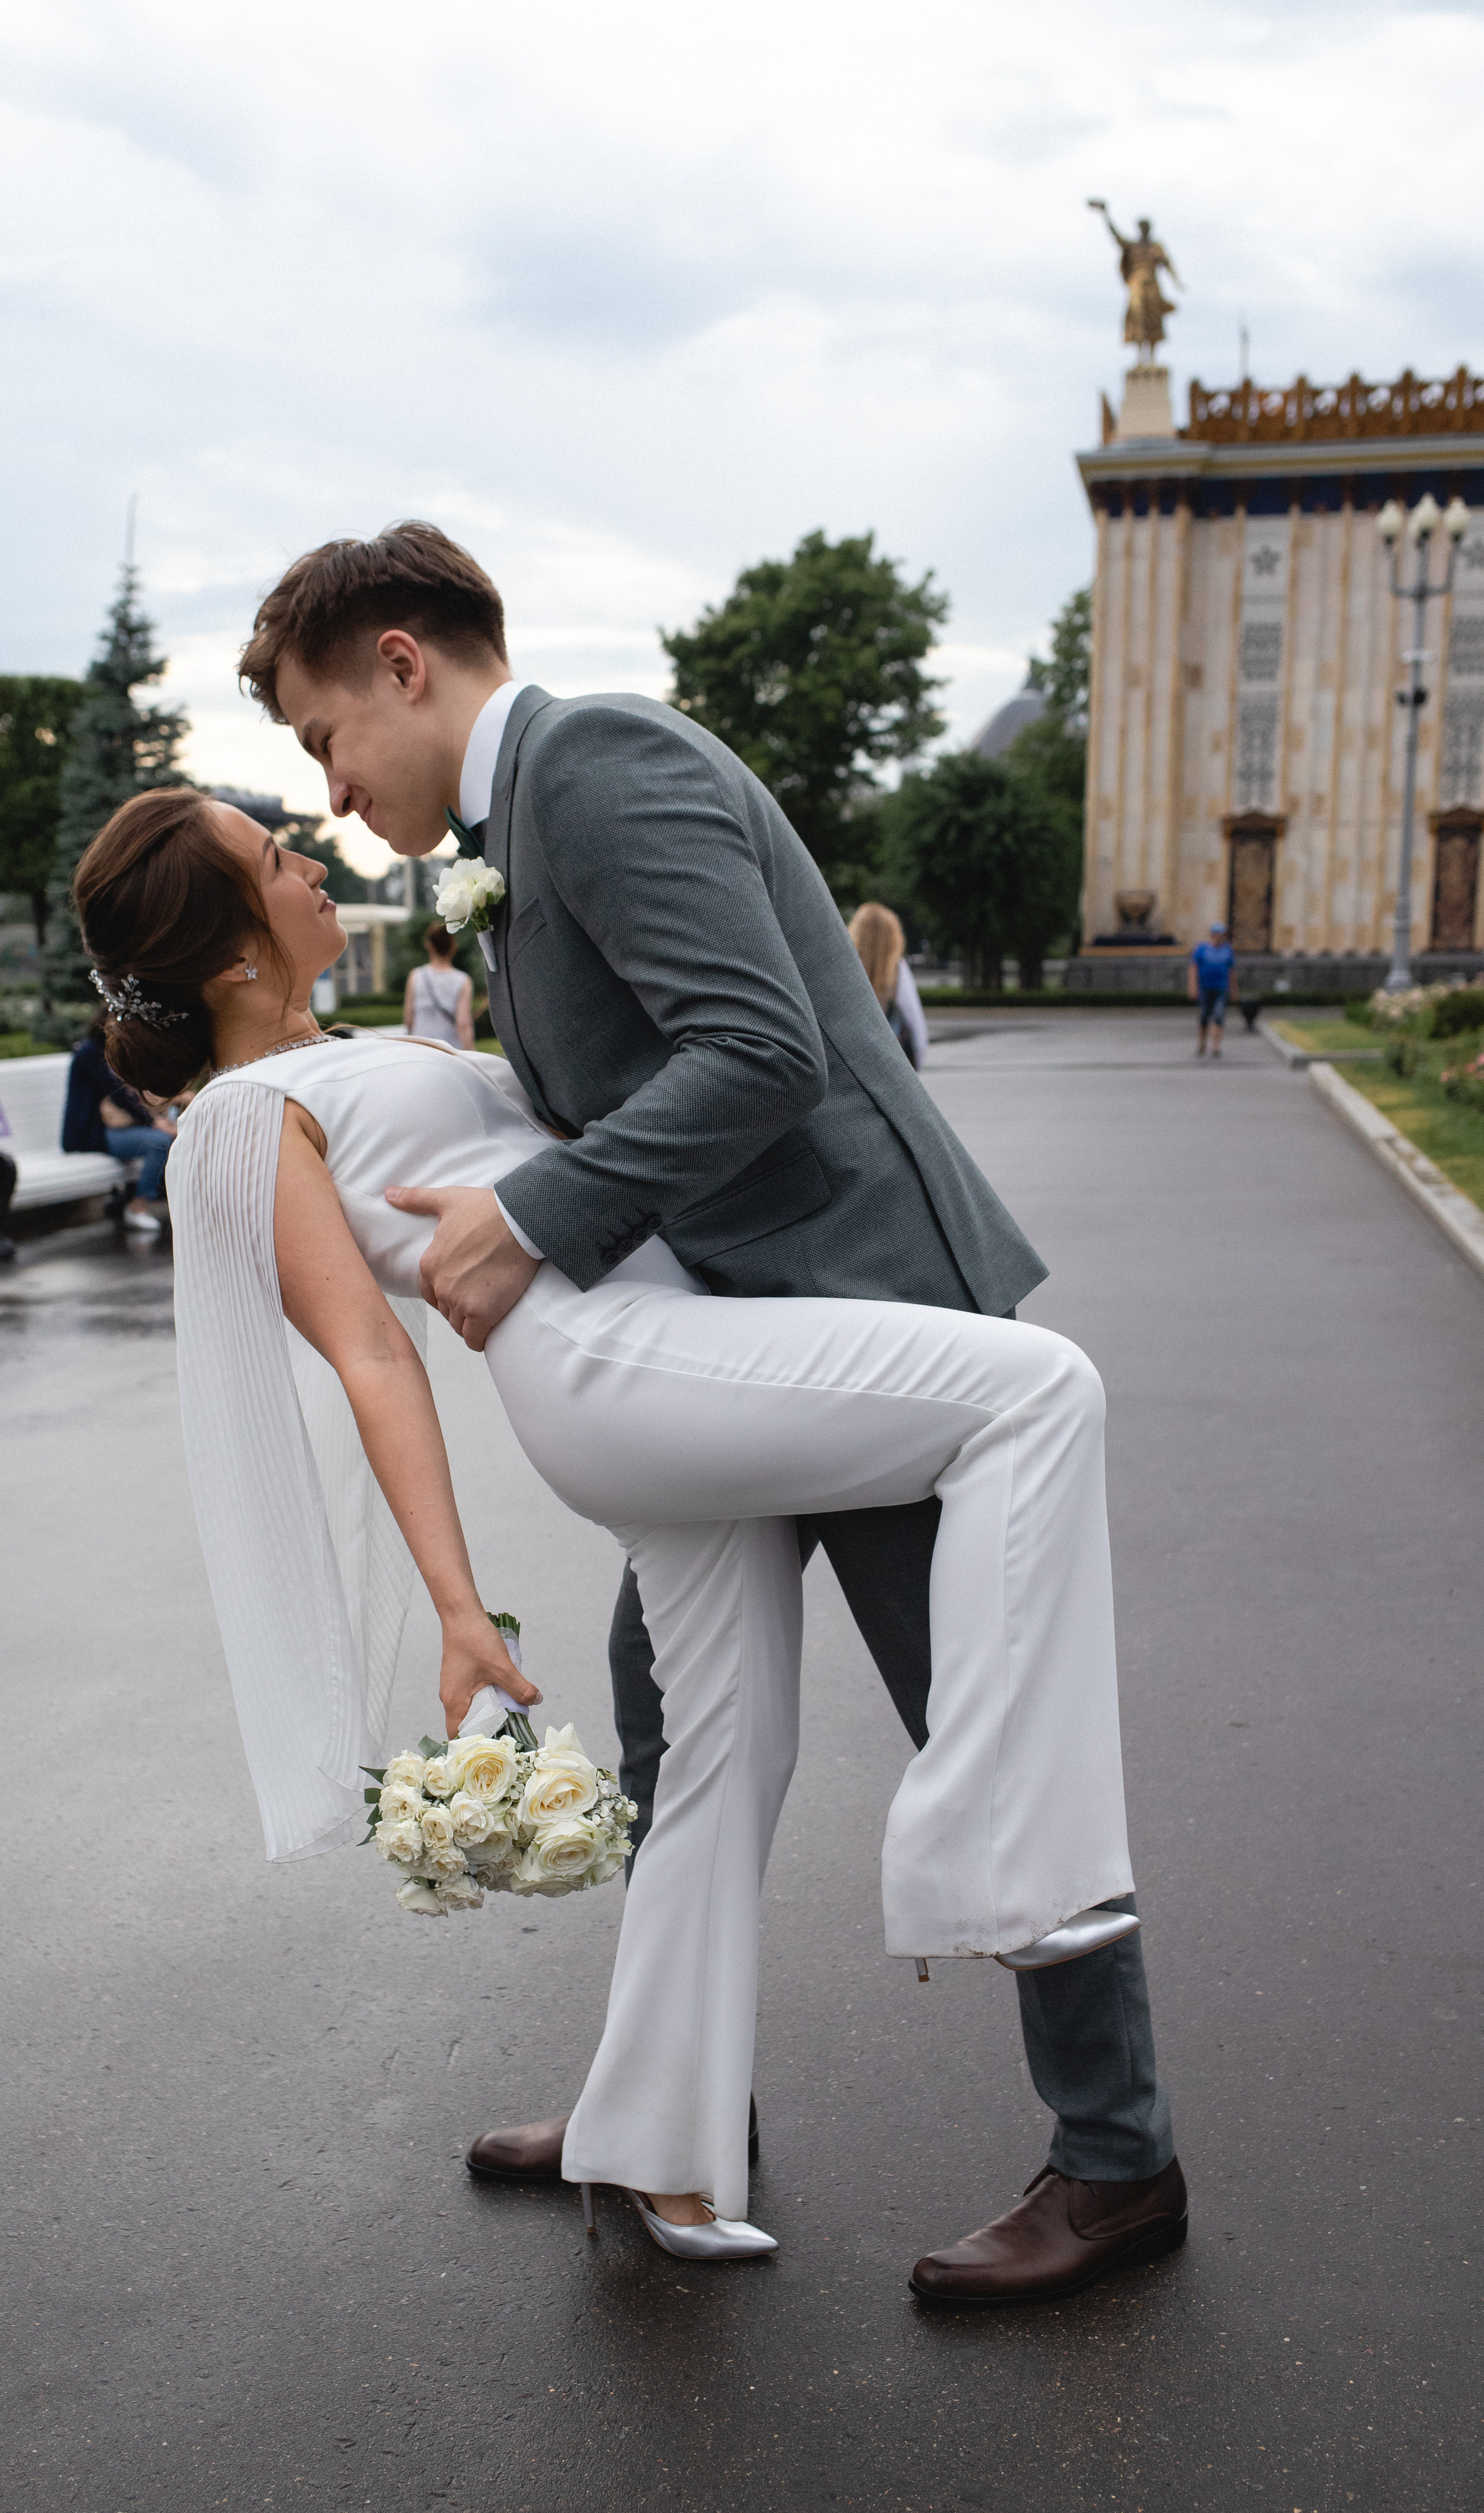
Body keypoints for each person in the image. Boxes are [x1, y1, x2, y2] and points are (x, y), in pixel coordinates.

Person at [226, 523, 1184, 2305]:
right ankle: (667, 2112)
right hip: (740, 1339)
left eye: (319, 737)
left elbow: (765, 1049)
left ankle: (1122, 2163)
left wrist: (540, 1216)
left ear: (404, 665)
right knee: (686, 1748)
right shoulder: (522, 839)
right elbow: (628, 1066)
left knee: (981, 1722)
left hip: (871, 1308)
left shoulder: (599, 764)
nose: (333, 790)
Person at [62, 1008, 181, 1230]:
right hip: (93, 1134)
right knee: (159, 1141)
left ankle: (174, 1205)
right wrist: (153, 1122)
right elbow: (119, 1095)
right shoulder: (89, 1054)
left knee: (172, 1140)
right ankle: (137, 1207)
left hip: (116, 1129)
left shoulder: (108, 1052)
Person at [849, 902, 928, 1069]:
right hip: (889, 1069)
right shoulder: (898, 970)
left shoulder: (843, 968)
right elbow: (915, 1023)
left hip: (850, 1064)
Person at [404, 920, 474, 1047]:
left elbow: (409, 1018)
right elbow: (463, 1023)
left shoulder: (416, 976)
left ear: (429, 946)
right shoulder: (463, 980)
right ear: (454, 947)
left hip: (420, 1047)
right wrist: (471, 1052)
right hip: (449, 1049)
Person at [1188, 921, 1236, 1059]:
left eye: (1222, 935)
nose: (1219, 937)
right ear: (1212, 934)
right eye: (1217, 934)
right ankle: (1202, 1043)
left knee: (1219, 1016)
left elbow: (1231, 971)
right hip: (1205, 988)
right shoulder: (1202, 949)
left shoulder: (1227, 950)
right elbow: (1193, 968)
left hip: (1221, 989)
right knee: (1204, 1017)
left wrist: (1234, 991)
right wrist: (1192, 987)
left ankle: (1216, 1046)